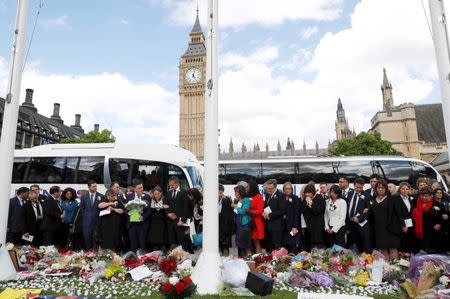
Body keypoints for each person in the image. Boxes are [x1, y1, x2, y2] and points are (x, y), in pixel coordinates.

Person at [370, 179, 403, 260]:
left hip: (391, 228)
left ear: (386, 189)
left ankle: (394, 268)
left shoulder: (392, 199)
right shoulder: (373, 200)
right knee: (382, 249)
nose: (380, 189)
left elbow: (399, 213)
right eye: (379, 187)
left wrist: (403, 225)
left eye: (382, 188)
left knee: (393, 248)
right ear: (376, 189)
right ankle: (387, 270)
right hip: (379, 228)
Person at [412, 186, 446, 253]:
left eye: (426, 196)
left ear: (431, 196)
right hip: (419, 233)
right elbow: (410, 215)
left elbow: (444, 217)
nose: (424, 197)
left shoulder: (438, 205)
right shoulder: (415, 203)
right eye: (422, 195)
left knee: (432, 252)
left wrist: (440, 224)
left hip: (433, 233)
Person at [166, 176, 194, 253]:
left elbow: (186, 208)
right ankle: (173, 257)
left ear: (177, 183)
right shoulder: (168, 193)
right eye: (170, 185)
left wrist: (183, 220)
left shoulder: (184, 192)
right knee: (172, 241)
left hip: (180, 222)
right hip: (171, 221)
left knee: (182, 241)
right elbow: (166, 206)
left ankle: (184, 257)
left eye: (172, 185)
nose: (170, 187)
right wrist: (168, 214)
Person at [347, 178, 372, 253]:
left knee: (365, 243)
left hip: (362, 224)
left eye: (361, 187)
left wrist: (359, 218)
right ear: (354, 185)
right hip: (351, 223)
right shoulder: (350, 194)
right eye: (357, 187)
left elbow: (369, 210)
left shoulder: (367, 196)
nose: (359, 189)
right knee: (355, 242)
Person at [127, 179, 151, 252]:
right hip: (132, 225)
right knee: (133, 246)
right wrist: (129, 215)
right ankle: (133, 261)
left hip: (142, 225)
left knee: (143, 245)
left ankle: (143, 261)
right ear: (134, 189)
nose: (141, 189)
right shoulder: (129, 196)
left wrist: (143, 217)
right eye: (139, 188)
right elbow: (125, 209)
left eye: (142, 187)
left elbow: (149, 210)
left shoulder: (146, 197)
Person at [80, 180, 104, 250]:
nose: (95, 187)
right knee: (87, 242)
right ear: (89, 187)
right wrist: (86, 218)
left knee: (96, 242)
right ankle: (88, 257)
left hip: (97, 224)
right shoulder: (84, 197)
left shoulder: (101, 196)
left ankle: (95, 257)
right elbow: (82, 209)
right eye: (93, 186)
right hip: (86, 224)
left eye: (96, 186)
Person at [300, 183, 326, 250]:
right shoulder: (305, 199)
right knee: (307, 247)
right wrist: (304, 199)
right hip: (307, 227)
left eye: (309, 193)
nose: (307, 194)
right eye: (306, 193)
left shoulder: (320, 199)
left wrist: (310, 202)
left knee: (317, 248)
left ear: (313, 192)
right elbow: (302, 210)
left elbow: (316, 211)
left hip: (316, 228)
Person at [394, 182, 417, 254]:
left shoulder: (410, 198)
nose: (405, 190)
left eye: (407, 189)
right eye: (403, 189)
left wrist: (408, 225)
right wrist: (403, 225)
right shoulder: (396, 199)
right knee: (402, 241)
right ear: (400, 189)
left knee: (409, 238)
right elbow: (399, 213)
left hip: (409, 222)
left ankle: (408, 256)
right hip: (400, 223)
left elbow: (410, 212)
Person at [232, 185, 251, 257]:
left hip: (244, 224)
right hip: (238, 224)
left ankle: (248, 261)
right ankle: (241, 260)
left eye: (236, 192)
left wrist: (236, 207)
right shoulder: (236, 200)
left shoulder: (246, 200)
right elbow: (235, 211)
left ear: (240, 192)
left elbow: (244, 212)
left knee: (245, 244)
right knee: (239, 244)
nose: (235, 194)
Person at [147, 186, 169, 251]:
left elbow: (167, 209)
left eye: (158, 193)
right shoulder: (151, 201)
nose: (156, 195)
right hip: (153, 223)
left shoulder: (164, 200)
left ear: (161, 193)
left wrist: (165, 207)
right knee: (154, 241)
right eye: (155, 193)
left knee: (162, 239)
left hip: (162, 223)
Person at [282, 182, 300, 253]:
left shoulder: (295, 198)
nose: (287, 190)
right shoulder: (281, 198)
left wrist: (295, 226)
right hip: (283, 226)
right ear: (283, 190)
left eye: (289, 189)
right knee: (285, 246)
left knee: (293, 245)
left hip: (292, 226)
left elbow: (297, 213)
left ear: (291, 189)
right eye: (286, 189)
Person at [248, 180, 265, 254]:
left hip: (257, 222)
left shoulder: (258, 197)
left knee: (256, 242)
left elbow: (260, 211)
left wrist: (250, 211)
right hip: (250, 221)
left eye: (248, 186)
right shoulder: (249, 197)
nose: (247, 188)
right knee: (252, 242)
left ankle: (258, 259)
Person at [218, 184, 233, 256]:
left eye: (220, 192)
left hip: (225, 225)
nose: (219, 194)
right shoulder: (214, 200)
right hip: (218, 225)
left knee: (225, 245)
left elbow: (230, 212)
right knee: (219, 245)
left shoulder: (227, 199)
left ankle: (226, 260)